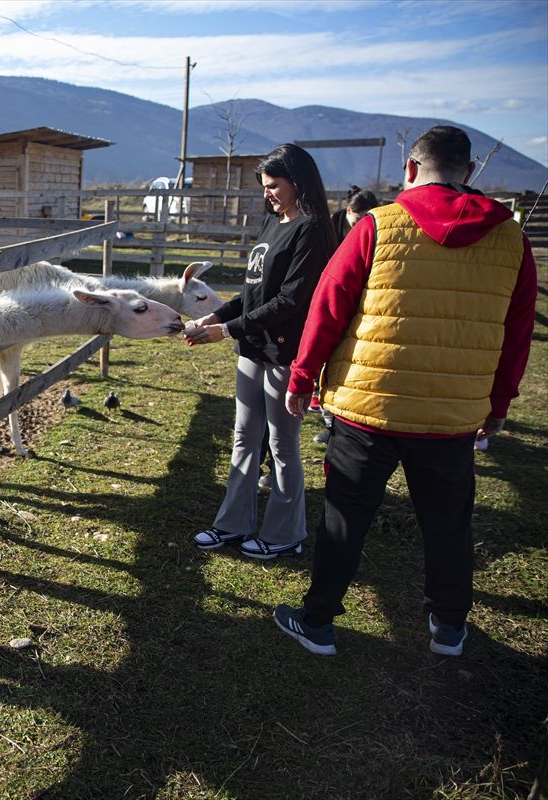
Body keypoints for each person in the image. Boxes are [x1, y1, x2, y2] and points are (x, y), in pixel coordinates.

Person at [273, 126, 536, 657]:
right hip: (452, 414)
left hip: (369, 405)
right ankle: (448, 625)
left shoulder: (378, 225)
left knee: (346, 515)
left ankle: (319, 621)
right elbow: (517, 332)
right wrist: (499, 405)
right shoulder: (511, 237)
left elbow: (329, 307)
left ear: (411, 170)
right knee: (448, 522)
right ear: (468, 173)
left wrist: (303, 377)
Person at [185, 144, 336, 559]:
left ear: (297, 182)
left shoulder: (312, 230)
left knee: (282, 445)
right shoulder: (274, 224)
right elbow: (253, 295)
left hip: (283, 354)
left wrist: (226, 331)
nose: (267, 193)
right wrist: (213, 317)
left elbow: (289, 301)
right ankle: (232, 524)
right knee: (243, 438)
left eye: (273, 185)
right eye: (264, 186)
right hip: (252, 350)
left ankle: (286, 531)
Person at [313, 185, 382, 445]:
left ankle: (343, 427)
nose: (363, 225)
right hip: (333, 298)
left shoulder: (378, 230)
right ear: (349, 210)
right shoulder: (330, 229)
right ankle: (331, 424)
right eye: (359, 219)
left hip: (363, 305)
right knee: (328, 366)